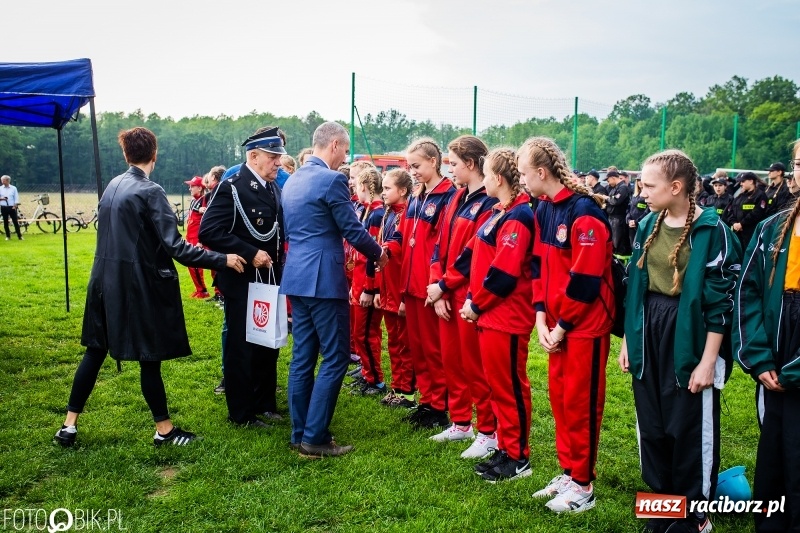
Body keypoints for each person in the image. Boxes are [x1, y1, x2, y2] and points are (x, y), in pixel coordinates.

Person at [54, 127, 245, 448]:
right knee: (149, 358)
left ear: (126, 154)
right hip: (135, 287)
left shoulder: (114, 184)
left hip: (103, 281)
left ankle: (68, 426)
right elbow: (178, 248)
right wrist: (223, 259)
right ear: (154, 154)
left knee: (94, 352)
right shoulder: (151, 191)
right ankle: (164, 430)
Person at [618, 149, 741, 533]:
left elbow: (721, 303)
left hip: (690, 336)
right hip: (648, 331)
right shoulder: (646, 225)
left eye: (649, 185)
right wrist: (628, 340)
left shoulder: (711, 230)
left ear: (676, 187)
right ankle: (664, 508)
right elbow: (636, 288)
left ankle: (696, 517)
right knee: (653, 426)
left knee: (687, 427)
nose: (641, 191)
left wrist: (708, 361)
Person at [280, 122, 388, 458]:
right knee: (337, 355)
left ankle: (300, 433)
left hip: (296, 276)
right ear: (335, 144)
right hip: (323, 279)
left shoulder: (292, 180)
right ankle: (314, 437)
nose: (345, 158)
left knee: (302, 357)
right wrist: (379, 253)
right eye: (344, 151)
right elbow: (352, 230)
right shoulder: (332, 180)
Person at [518, 138, 613, 512]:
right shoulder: (543, 208)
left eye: (524, 174)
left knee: (582, 403)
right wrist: (541, 315)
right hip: (556, 324)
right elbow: (539, 266)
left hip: (584, 327)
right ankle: (569, 472)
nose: (522, 180)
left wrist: (562, 326)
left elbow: (586, 280)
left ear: (541, 172)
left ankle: (584, 486)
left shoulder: (584, 212)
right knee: (560, 400)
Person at [199, 127, 287, 428]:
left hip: (269, 278)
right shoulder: (233, 186)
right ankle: (241, 412)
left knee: (267, 344)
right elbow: (208, 230)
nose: (278, 163)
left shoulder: (273, 188)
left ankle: (265, 403)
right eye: (273, 157)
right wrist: (249, 252)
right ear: (254, 156)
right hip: (242, 281)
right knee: (241, 346)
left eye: (279, 157)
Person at [733, 140, 800, 532]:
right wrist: (759, 358)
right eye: (798, 163)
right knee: (774, 457)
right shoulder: (772, 229)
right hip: (774, 355)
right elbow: (748, 294)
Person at [457, 147, 534, 483]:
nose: (484, 180)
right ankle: (505, 447)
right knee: (498, 385)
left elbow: (504, 273)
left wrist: (476, 303)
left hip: (508, 317)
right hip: (491, 316)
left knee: (510, 387)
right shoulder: (499, 213)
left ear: (498, 179)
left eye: (487, 174)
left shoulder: (519, 217)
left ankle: (519, 458)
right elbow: (474, 258)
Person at [425, 135, 499, 459]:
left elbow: (473, 255)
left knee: (475, 366)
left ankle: (488, 431)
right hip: (445, 292)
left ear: (470, 164)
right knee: (451, 361)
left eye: (453, 163)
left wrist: (444, 285)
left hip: (466, 295)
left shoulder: (489, 203)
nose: (450, 169)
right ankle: (460, 422)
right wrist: (436, 285)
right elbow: (440, 244)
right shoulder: (455, 198)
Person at [385, 138, 455, 430]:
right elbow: (404, 237)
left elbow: (446, 245)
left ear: (434, 162)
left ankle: (440, 407)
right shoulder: (415, 195)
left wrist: (437, 284)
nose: (412, 171)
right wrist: (385, 250)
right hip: (410, 286)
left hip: (429, 287)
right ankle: (427, 401)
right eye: (409, 166)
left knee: (434, 350)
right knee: (418, 350)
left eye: (416, 166)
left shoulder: (449, 196)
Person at [376, 169, 415, 408]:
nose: (383, 193)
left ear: (402, 191)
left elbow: (405, 259)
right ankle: (397, 387)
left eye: (388, 188)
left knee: (405, 344)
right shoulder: (388, 214)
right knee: (393, 342)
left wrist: (402, 297)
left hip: (400, 291)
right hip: (388, 290)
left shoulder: (408, 216)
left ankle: (408, 393)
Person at [348, 167, 387, 396]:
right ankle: (366, 372)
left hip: (367, 285)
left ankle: (376, 381)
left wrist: (369, 289)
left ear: (364, 187)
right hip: (360, 283)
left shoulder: (376, 214)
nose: (353, 186)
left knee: (366, 334)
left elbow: (374, 255)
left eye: (355, 183)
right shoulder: (368, 211)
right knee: (359, 334)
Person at [183, 176, 209, 299]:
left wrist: (200, 240)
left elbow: (205, 219)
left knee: (196, 264)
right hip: (190, 237)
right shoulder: (194, 200)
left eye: (192, 186)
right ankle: (199, 289)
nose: (190, 188)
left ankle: (203, 291)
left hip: (197, 238)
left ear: (200, 187)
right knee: (191, 264)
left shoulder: (205, 199)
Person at [729, 172, 768, 250]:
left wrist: (742, 223)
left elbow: (757, 213)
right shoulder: (740, 196)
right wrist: (734, 223)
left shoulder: (760, 195)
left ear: (751, 181)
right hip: (738, 232)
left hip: (752, 233)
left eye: (743, 181)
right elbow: (731, 211)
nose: (741, 184)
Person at [604, 170, 631, 256]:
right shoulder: (615, 188)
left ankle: (621, 263)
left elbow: (616, 200)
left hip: (619, 218)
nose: (608, 183)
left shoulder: (623, 187)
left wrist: (607, 198)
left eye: (608, 181)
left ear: (613, 178)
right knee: (613, 242)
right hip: (612, 218)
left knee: (618, 242)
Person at [627, 176, 649, 250]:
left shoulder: (647, 195)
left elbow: (648, 211)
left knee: (640, 245)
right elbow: (629, 208)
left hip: (641, 224)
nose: (639, 182)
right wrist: (628, 220)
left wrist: (636, 221)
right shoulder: (635, 195)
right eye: (638, 180)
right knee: (632, 245)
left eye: (641, 180)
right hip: (631, 225)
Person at [0, 175, 23, 241]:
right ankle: (8, 236)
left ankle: (19, 236)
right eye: (2, 180)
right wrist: (2, 199)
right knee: (5, 222)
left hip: (12, 207)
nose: (2, 181)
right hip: (3, 207)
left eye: (3, 180)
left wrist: (15, 205)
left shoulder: (13, 188)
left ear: (7, 180)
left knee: (15, 222)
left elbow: (16, 197)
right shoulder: (0, 188)